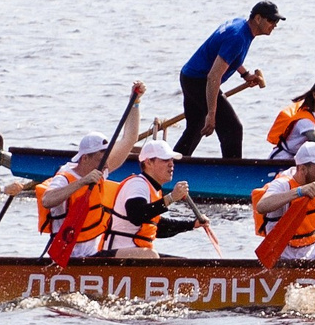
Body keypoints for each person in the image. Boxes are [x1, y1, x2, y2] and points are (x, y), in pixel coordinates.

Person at [38, 83, 146, 260]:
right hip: (65, 255)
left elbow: (129, 139)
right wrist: (82, 182)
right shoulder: (64, 177)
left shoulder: (99, 169)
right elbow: (47, 200)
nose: (105, 164)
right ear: (85, 158)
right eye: (100, 158)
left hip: (92, 255)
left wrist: (135, 102)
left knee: (146, 255)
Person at [176, 1, 282, 159]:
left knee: (195, 128)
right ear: (258, 18)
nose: (274, 25)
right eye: (271, 21)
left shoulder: (242, 27)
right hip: (199, 81)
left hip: (189, 76)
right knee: (232, 128)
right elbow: (213, 76)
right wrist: (212, 114)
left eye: (277, 22)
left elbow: (229, 56)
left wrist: (245, 74)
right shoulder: (237, 37)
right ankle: (233, 174)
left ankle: (174, 164)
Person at [104, 139, 201, 259]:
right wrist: (171, 198)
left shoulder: (153, 189)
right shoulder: (137, 185)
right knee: (152, 255)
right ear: (148, 162)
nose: (171, 164)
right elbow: (137, 215)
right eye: (165, 160)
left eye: (172, 160)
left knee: (185, 263)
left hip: (137, 254)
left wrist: (192, 224)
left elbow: (157, 227)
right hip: (113, 255)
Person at [254, 140, 315, 263]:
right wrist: (299, 192)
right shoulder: (282, 184)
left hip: (312, 251)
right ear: (303, 169)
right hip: (283, 256)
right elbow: (261, 206)